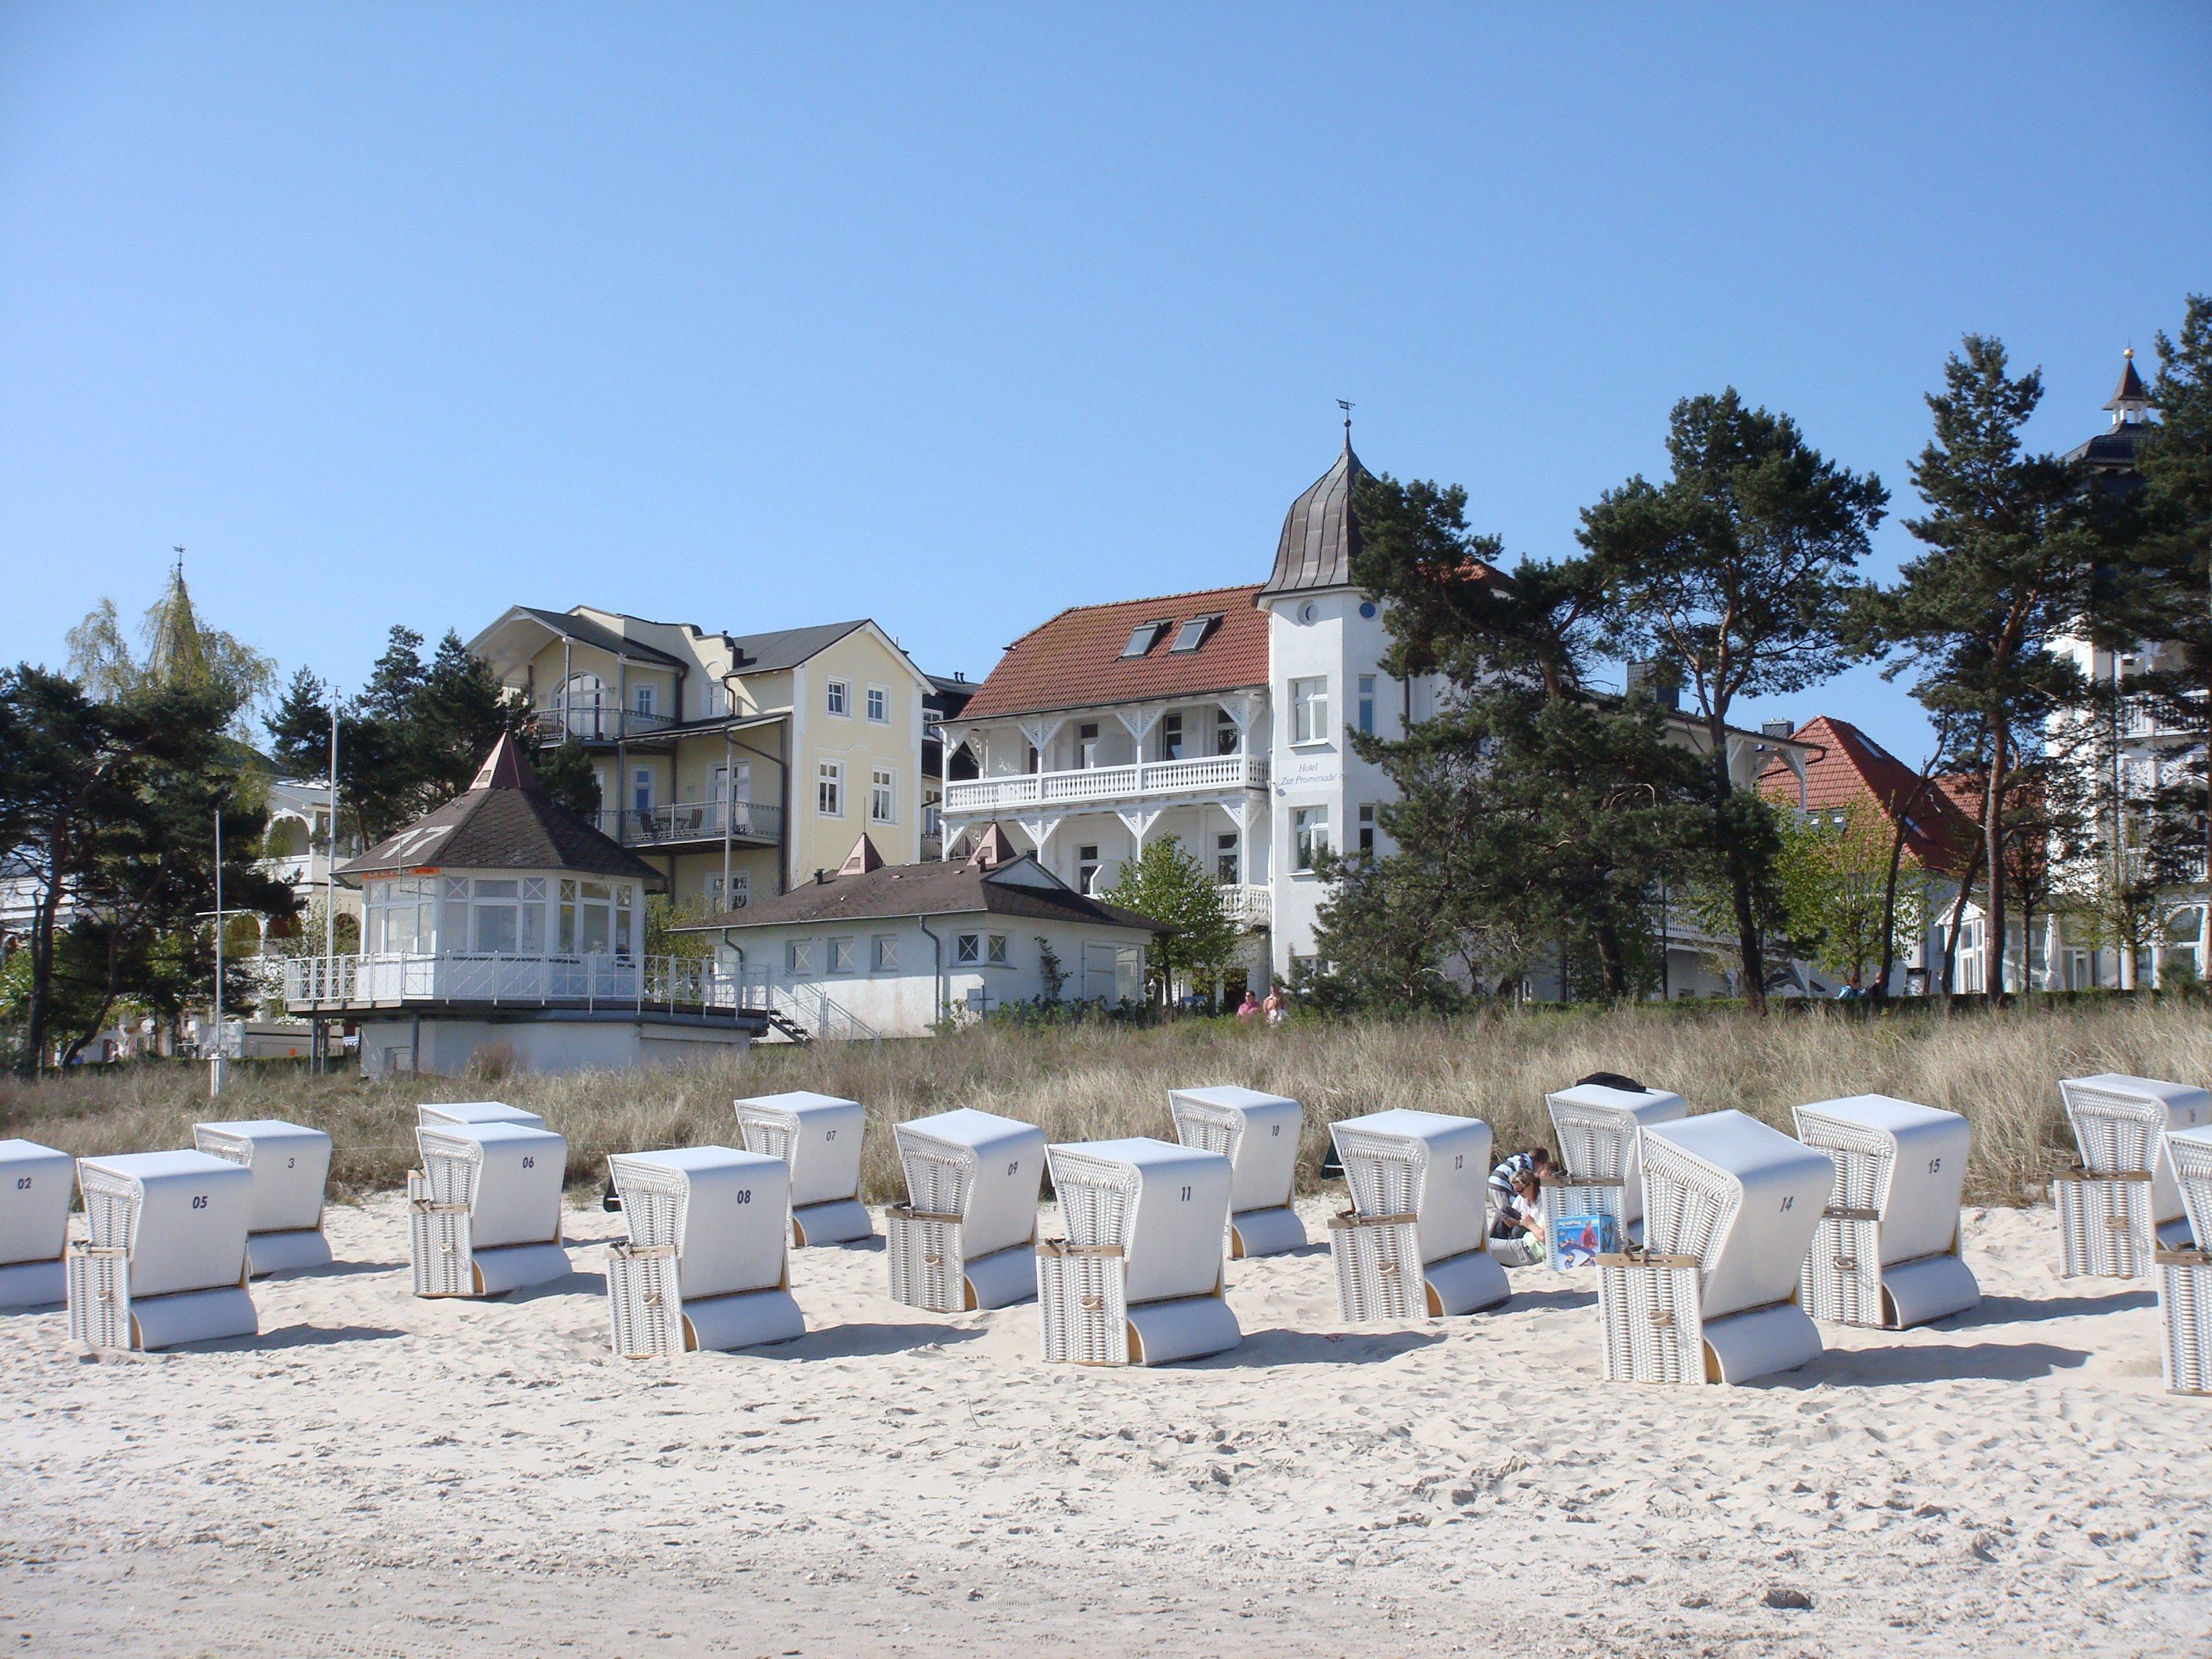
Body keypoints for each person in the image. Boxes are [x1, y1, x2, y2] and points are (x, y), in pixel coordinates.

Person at [1489, 1168, 1547, 1267]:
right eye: (1516, 1191)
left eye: (1521, 1190)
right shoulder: (1522, 1198)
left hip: (1531, 1239)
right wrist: (1512, 1221)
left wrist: (1526, 1224)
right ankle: (1497, 1241)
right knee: (1505, 1210)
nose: (1519, 1194)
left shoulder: (1544, 1202)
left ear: (1531, 1185)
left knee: (1488, 1245)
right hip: (1527, 1235)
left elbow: (1541, 1234)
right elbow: (1515, 1215)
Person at [1488, 1146, 1559, 1218]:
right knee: (1507, 1214)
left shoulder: (1520, 1159)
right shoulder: (1525, 1166)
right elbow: (1522, 1180)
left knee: (1501, 1214)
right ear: (1540, 1163)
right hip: (1502, 1185)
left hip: (1492, 1182)